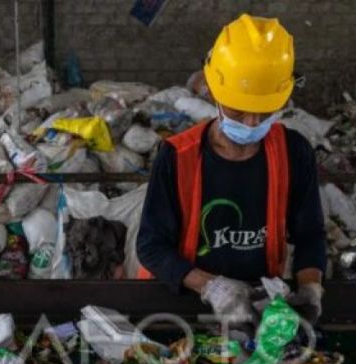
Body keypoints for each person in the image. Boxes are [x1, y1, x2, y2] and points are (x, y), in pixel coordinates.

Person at [137, 14, 326, 327]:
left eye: (263, 113)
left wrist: (310, 287)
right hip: (183, 304)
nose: (251, 123)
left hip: (259, 306)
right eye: (238, 112)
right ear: (214, 93)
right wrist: (212, 288)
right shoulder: (178, 156)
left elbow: (310, 234)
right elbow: (151, 246)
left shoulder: (294, 153)